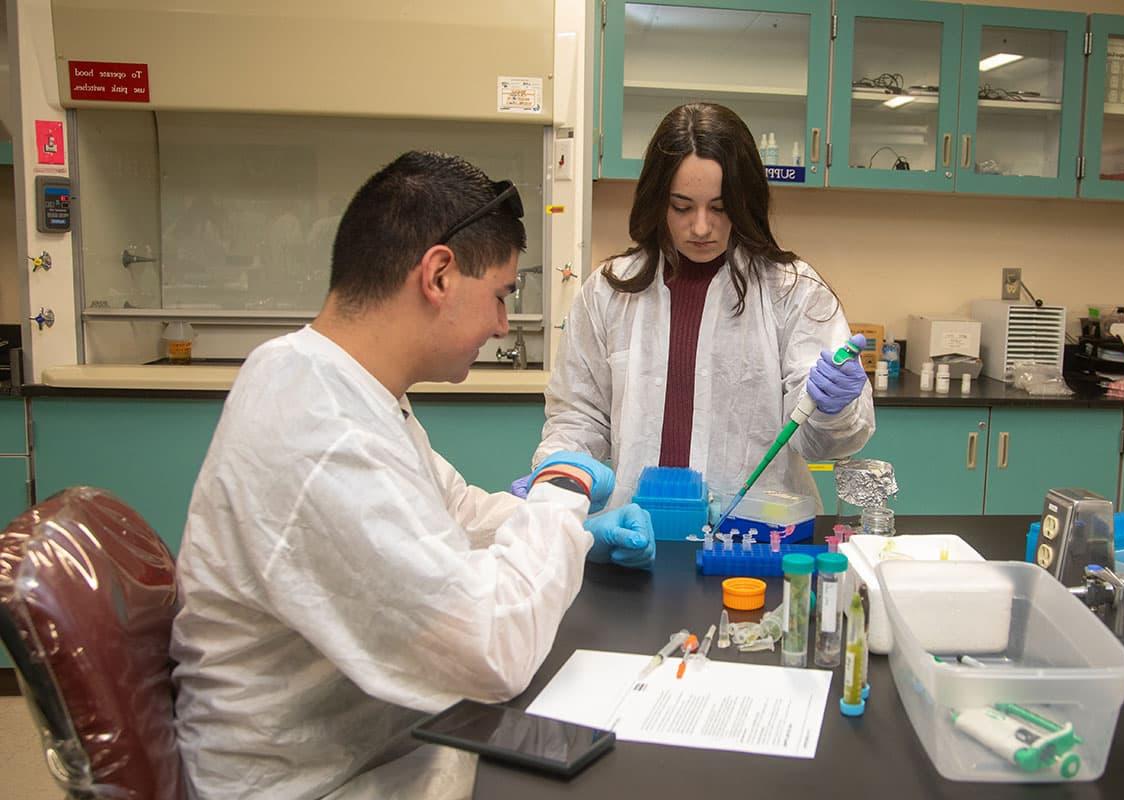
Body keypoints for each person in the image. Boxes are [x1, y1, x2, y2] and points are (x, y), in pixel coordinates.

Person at [170, 151, 653, 800]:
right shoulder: (322, 430)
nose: (503, 324)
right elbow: (492, 653)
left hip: (370, 743)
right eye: (502, 296)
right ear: (440, 275)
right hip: (309, 783)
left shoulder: (328, 380)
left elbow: (455, 512)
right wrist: (559, 491)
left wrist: (582, 529)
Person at [531, 103, 875, 511]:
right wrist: (558, 484)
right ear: (658, 200)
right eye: (682, 206)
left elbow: (823, 443)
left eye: (719, 207)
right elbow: (578, 418)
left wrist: (832, 407)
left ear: (745, 201)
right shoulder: (608, 292)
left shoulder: (794, 291)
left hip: (756, 538)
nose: (699, 227)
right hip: (639, 535)